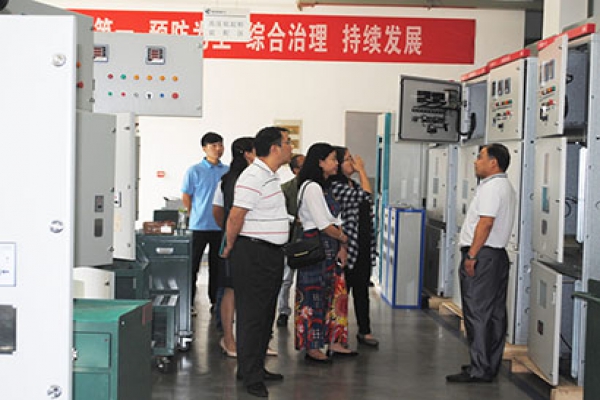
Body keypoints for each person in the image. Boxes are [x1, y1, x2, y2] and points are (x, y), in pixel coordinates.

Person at [221, 126, 292, 398]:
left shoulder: (270, 176)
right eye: (287, 142)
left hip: (270, 253)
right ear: (274, 148)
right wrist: (230, 246)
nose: (291, 147)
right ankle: (251, 377)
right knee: (252, 316)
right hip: (253, 253)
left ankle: (254, 367)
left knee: (265, 315)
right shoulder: (253, 176)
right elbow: (236, 215)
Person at [446, 143, 516, 384]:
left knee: (477, 313)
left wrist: (472, 255)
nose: (476, 161)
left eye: (480, 157)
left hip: (482, 256)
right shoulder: (504, 186)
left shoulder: (492, 188)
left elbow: (485, 223)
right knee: (494, 314)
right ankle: (487, 365)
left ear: (493, 162)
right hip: (496, 256)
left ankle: (479, 368)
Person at [295, 143, 355, 363]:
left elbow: (334, 220)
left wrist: (342, 246)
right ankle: (312, 346)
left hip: (331, 245)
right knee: (314, 296)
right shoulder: (311, 188)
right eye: (332, 159)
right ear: (320, 162)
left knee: (332, 294)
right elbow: (323, 224)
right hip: (318, 245)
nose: (336, 163)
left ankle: (334, 341)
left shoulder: (324, 186)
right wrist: (344, 239)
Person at [330, 147, 379, 347]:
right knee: (342, 291)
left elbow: (368, 202)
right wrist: (362, 171)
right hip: (347, 245)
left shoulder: (354, 184)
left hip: (363, 243)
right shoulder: (336, 186)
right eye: (348, 159)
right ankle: (337, 335)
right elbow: (366, 197)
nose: (353, 162)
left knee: (362, 290)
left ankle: (364, 330)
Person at [213, 137, 255, 358]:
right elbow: (218, 210)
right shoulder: (232, 180)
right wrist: (230, 231)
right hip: (238, 239)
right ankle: (229, 339)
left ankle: (244, 341)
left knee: (239, 290)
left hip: (242, 238)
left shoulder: (237, 178)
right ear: (246, 154)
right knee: (232, 289)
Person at [182, 132, 228, 316]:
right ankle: (189, 303)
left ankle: (215, 302)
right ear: (204, 148)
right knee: (192, 267)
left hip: (219, 226)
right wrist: (193, 213)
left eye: (220, 145)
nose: (218, 149)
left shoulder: (227, 171)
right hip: (199, 226)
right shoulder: (194, 171)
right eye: (213, 145)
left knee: (218, 267)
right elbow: (186, 195)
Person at [276, 154, 305, 327]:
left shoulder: (317, 186)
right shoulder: (286, 188)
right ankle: (283, 311)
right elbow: (280, 212)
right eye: (302, 166)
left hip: (311, 239)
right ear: (295, 170)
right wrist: (295, 220)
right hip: (291, 238)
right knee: (286, 279)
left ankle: (305, 312)